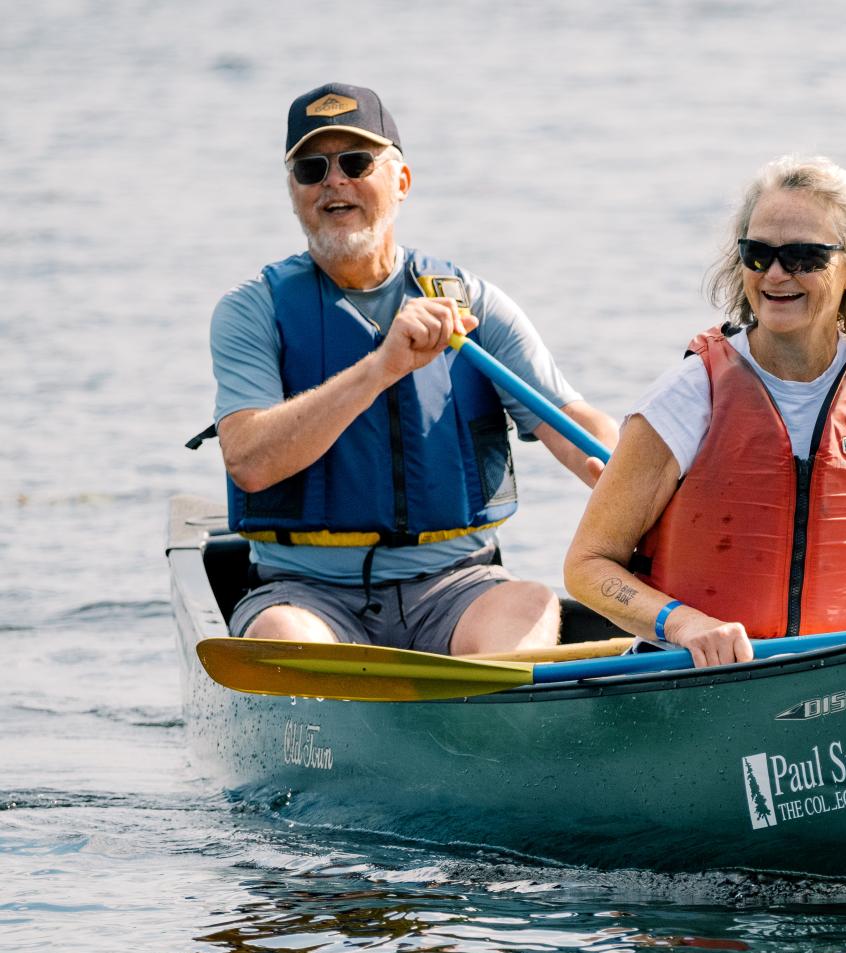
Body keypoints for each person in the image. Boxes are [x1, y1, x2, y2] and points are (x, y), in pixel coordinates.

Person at [202, 83, 616, 655]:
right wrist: (380, 369)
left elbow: (573, 424)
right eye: (311, 169)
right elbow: (248, 462)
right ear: (294, 192)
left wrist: (633, 474)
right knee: (283, 636)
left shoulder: (472, 302)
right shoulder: (252, 310)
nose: (333, 181)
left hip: (457, 586)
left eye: (355, 162)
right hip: (303, 593)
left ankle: (487, 725)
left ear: (401, 182)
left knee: (529, 603)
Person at [565, 155, 846, 667]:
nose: (775, 274)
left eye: (803, 256)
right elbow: (588, 566)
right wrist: (684, 624)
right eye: (759, 254)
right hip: (705, 684)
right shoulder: (683, 402)